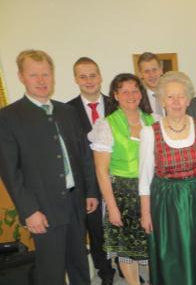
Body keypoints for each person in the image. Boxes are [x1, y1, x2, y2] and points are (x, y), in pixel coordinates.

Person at [0, 49, 98, 285]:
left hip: (75, 203)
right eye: (34, 75)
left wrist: (91, 192)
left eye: (46, 74)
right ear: (21, 77)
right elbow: (10, 172)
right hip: (42, 209)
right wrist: (29, 211)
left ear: (53, 76)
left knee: (79, 266)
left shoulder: (68, 112)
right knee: (51, 272)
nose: (42, 81)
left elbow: (84, 156)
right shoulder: (8, 117)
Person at [139, 71, 196, 285]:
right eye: (170, 97)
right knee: (172, 254)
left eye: (181, 96)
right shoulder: (150, 132)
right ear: (162, 100)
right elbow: (145, 177)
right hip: (167, 204)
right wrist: (146, 214)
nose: (176, 102)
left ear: (189, 99)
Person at [88, 73, 154, 285]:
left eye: (135, 90)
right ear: (115, 95)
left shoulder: (153, 121)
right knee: (127, 251)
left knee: (154, 245)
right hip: (122, 196)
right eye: (124, 91)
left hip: (152, 193)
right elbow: (101, 171)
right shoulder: (106, 125)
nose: (131, 95)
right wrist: (113, 207)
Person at [67, 57, 115, 285]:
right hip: (88, 185)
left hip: (118, 179)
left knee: (122, 225)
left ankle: (126, 266)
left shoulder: (117, 103)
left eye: (92, 75)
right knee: (96, 231)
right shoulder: (67, 111)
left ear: (100, 76)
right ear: (76, 79)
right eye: (83, 76)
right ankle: (105, 271)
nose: (89, 81)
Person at [137, 52, 164, 119]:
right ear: (140, 74)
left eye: (154, 70)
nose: (151, 75)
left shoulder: (171, 94)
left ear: (161, 70)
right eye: (146, 71)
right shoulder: (137, 100)